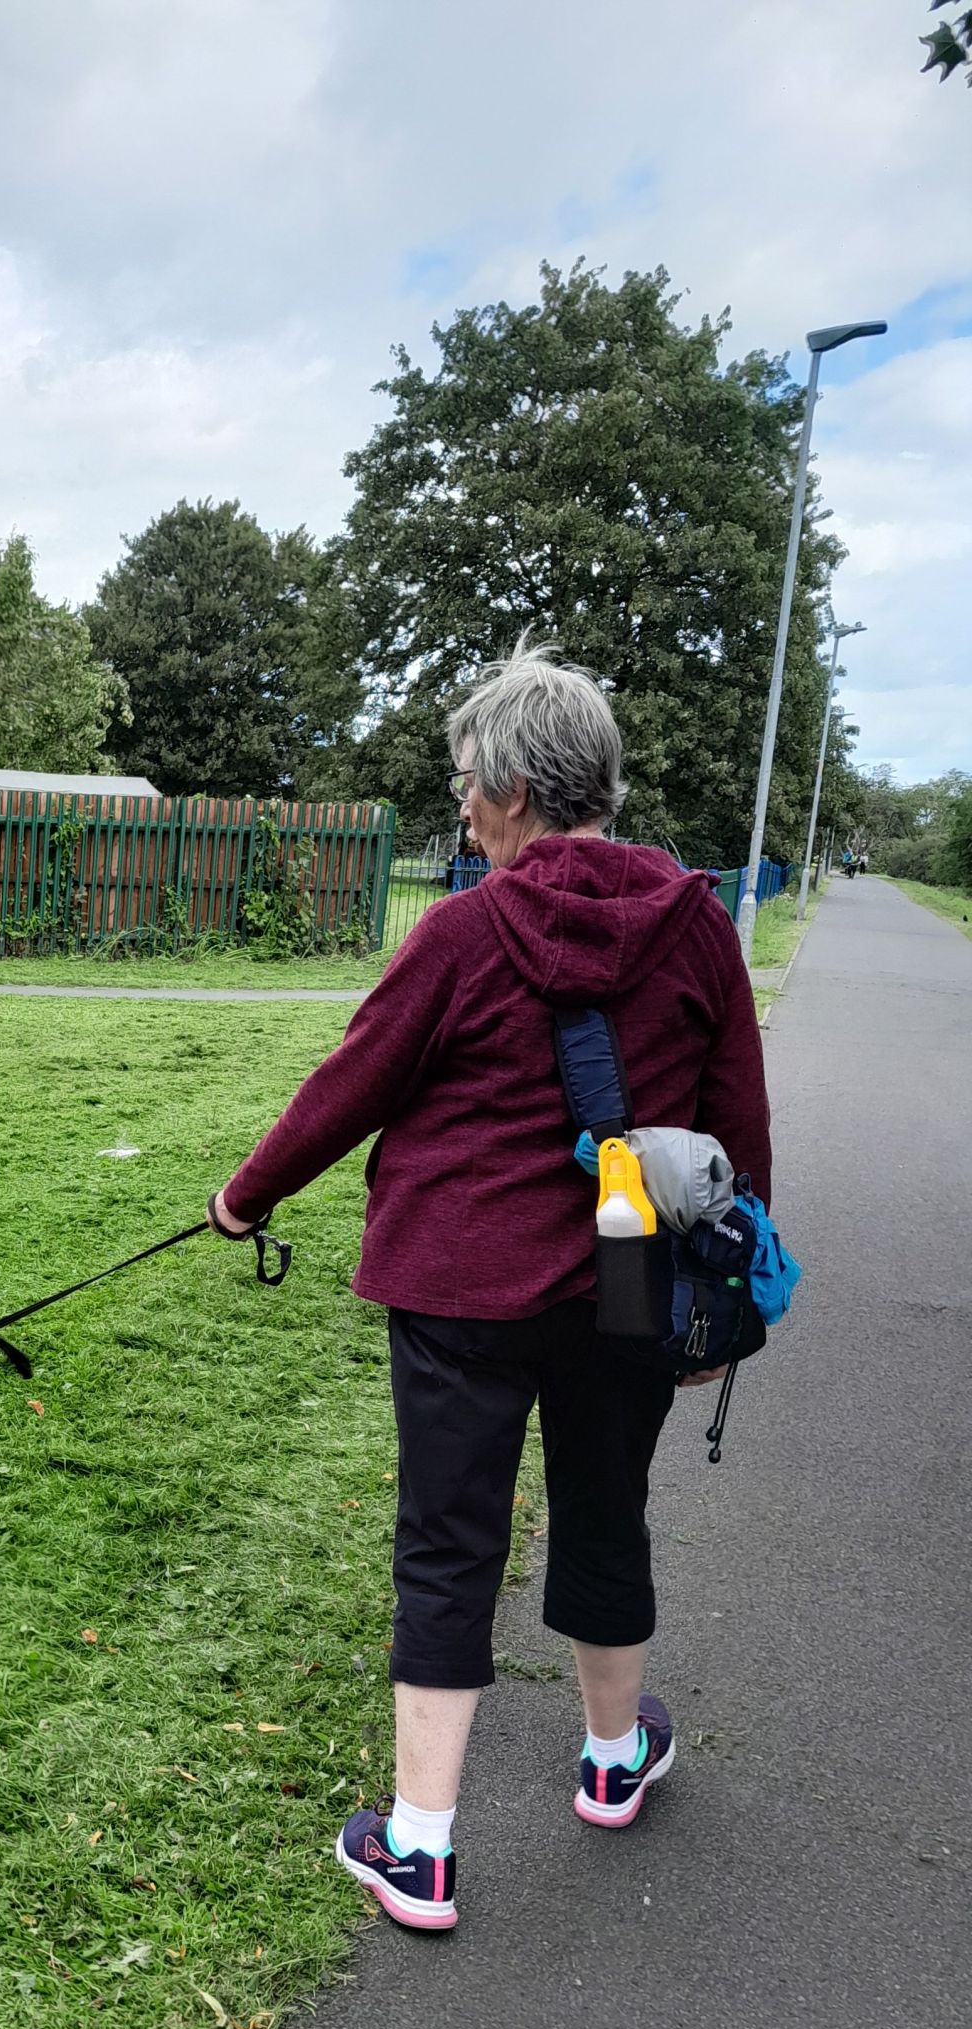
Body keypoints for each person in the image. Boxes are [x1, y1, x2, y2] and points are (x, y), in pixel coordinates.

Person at [207, 637, 770, 1931]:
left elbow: (350, 1085)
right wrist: (722, 1309)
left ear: (515, 788)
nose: (461, 807)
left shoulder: (464, 935)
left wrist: (245, 1197)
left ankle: (420, 1848)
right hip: (629, 1288)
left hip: (460, 1287)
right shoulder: (698, 929)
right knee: (607, 1512)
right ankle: (614, 1760)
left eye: (467, 782)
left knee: (448, 1543)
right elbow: (738, 1125)